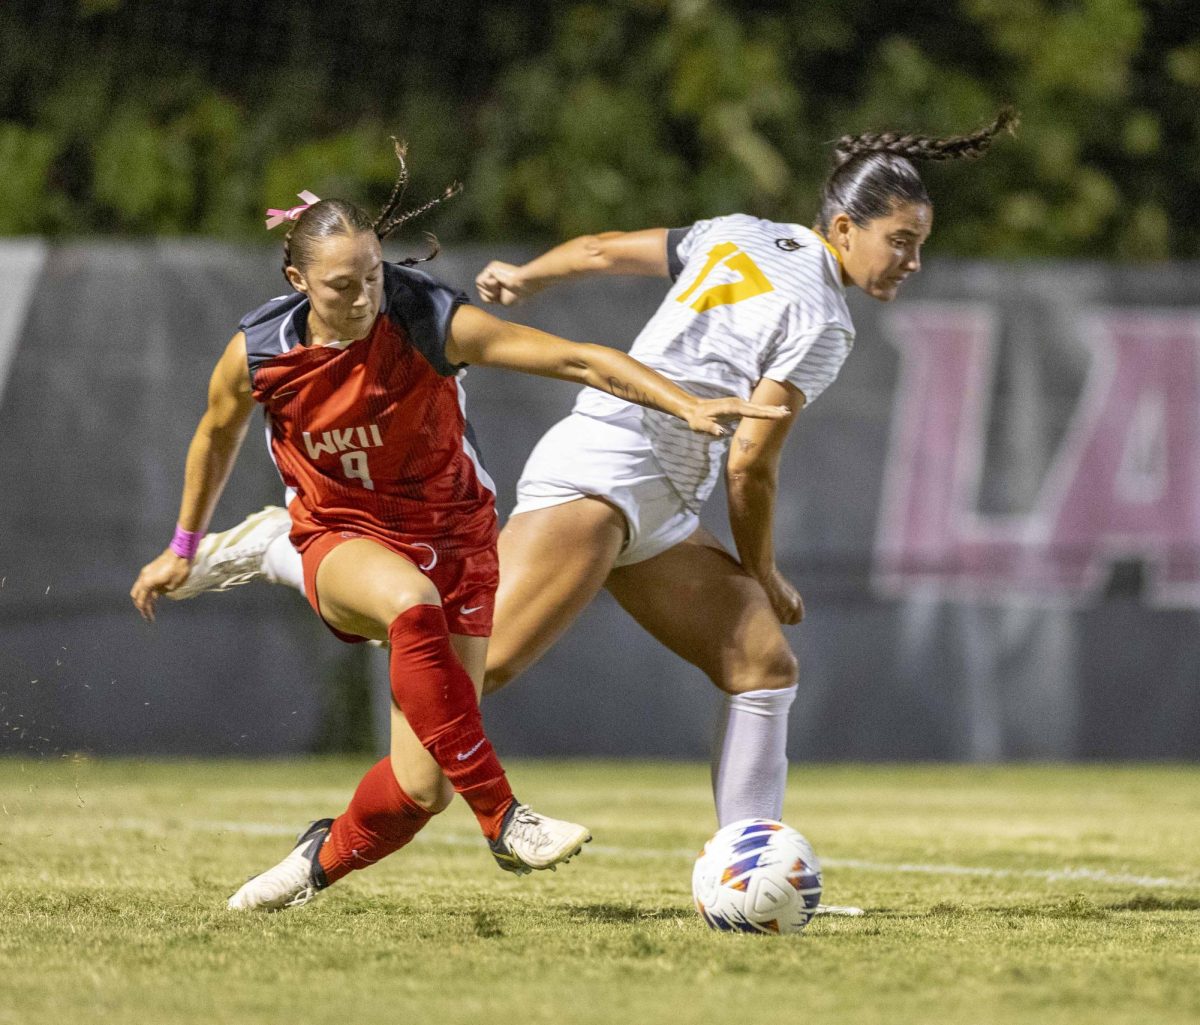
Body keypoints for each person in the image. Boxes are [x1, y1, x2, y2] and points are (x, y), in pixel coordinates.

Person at [163, 111, 1017, 834]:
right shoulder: (825, 320)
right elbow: (751, 463)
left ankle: (745, 867)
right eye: (899, 241)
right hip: (609, 474)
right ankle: (288, 549)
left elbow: (609, 249)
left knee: (761, 661)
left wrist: (529, 273)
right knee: (474, 668)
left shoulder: (742, 232)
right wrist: (762, 567)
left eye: (919, 244)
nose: (909, 259)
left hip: (658, 500)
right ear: (842, 229)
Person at [129, 143, 787, 912]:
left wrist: (684, 404)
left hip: (457, 543)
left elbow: (576, 359)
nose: (366, 295)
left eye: (374, 274)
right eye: (344, 285)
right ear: (296, 281)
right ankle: (505, 816)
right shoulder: (261, 352)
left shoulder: (422, 318)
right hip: (342, 534)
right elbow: (215, 434)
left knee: (416, 792)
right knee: (410, 604)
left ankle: (314, 862)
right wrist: (181, 545)